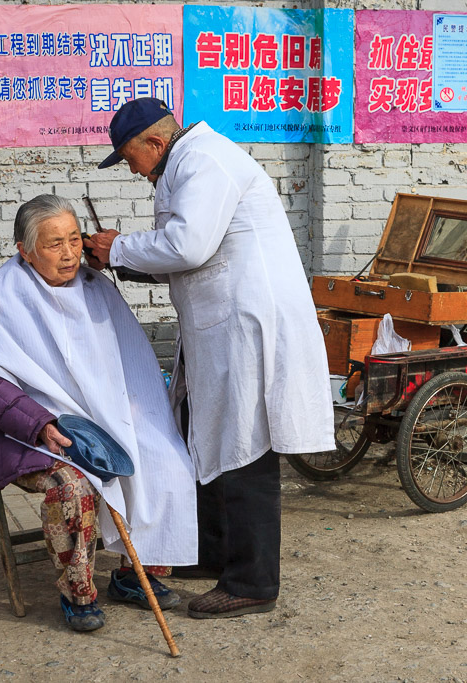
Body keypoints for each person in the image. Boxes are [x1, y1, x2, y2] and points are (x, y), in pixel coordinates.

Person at [86, 98, 335, 619]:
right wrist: (117, 257)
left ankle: (253, 582)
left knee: (245, 447)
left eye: (130, 157)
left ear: (154, 143)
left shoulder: (204, 161)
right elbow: (177, 257)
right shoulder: (184, 165)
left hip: (247, 326)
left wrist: (121, 248)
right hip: (222, 328)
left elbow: (188, 246)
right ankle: (213, 552)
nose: (131, 169)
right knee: (207, 435)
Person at [0, 194, 198, 632]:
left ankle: (131, 574)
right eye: (54, 244)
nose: (69, 253)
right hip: (23, 430)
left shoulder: (94, 287)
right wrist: (39, 424)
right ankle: (77, 592)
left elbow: (129, 362)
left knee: (164, 456)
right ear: (24, 249)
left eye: (74, 239)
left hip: (97, 417)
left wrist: (137, 418)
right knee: (72, 486)